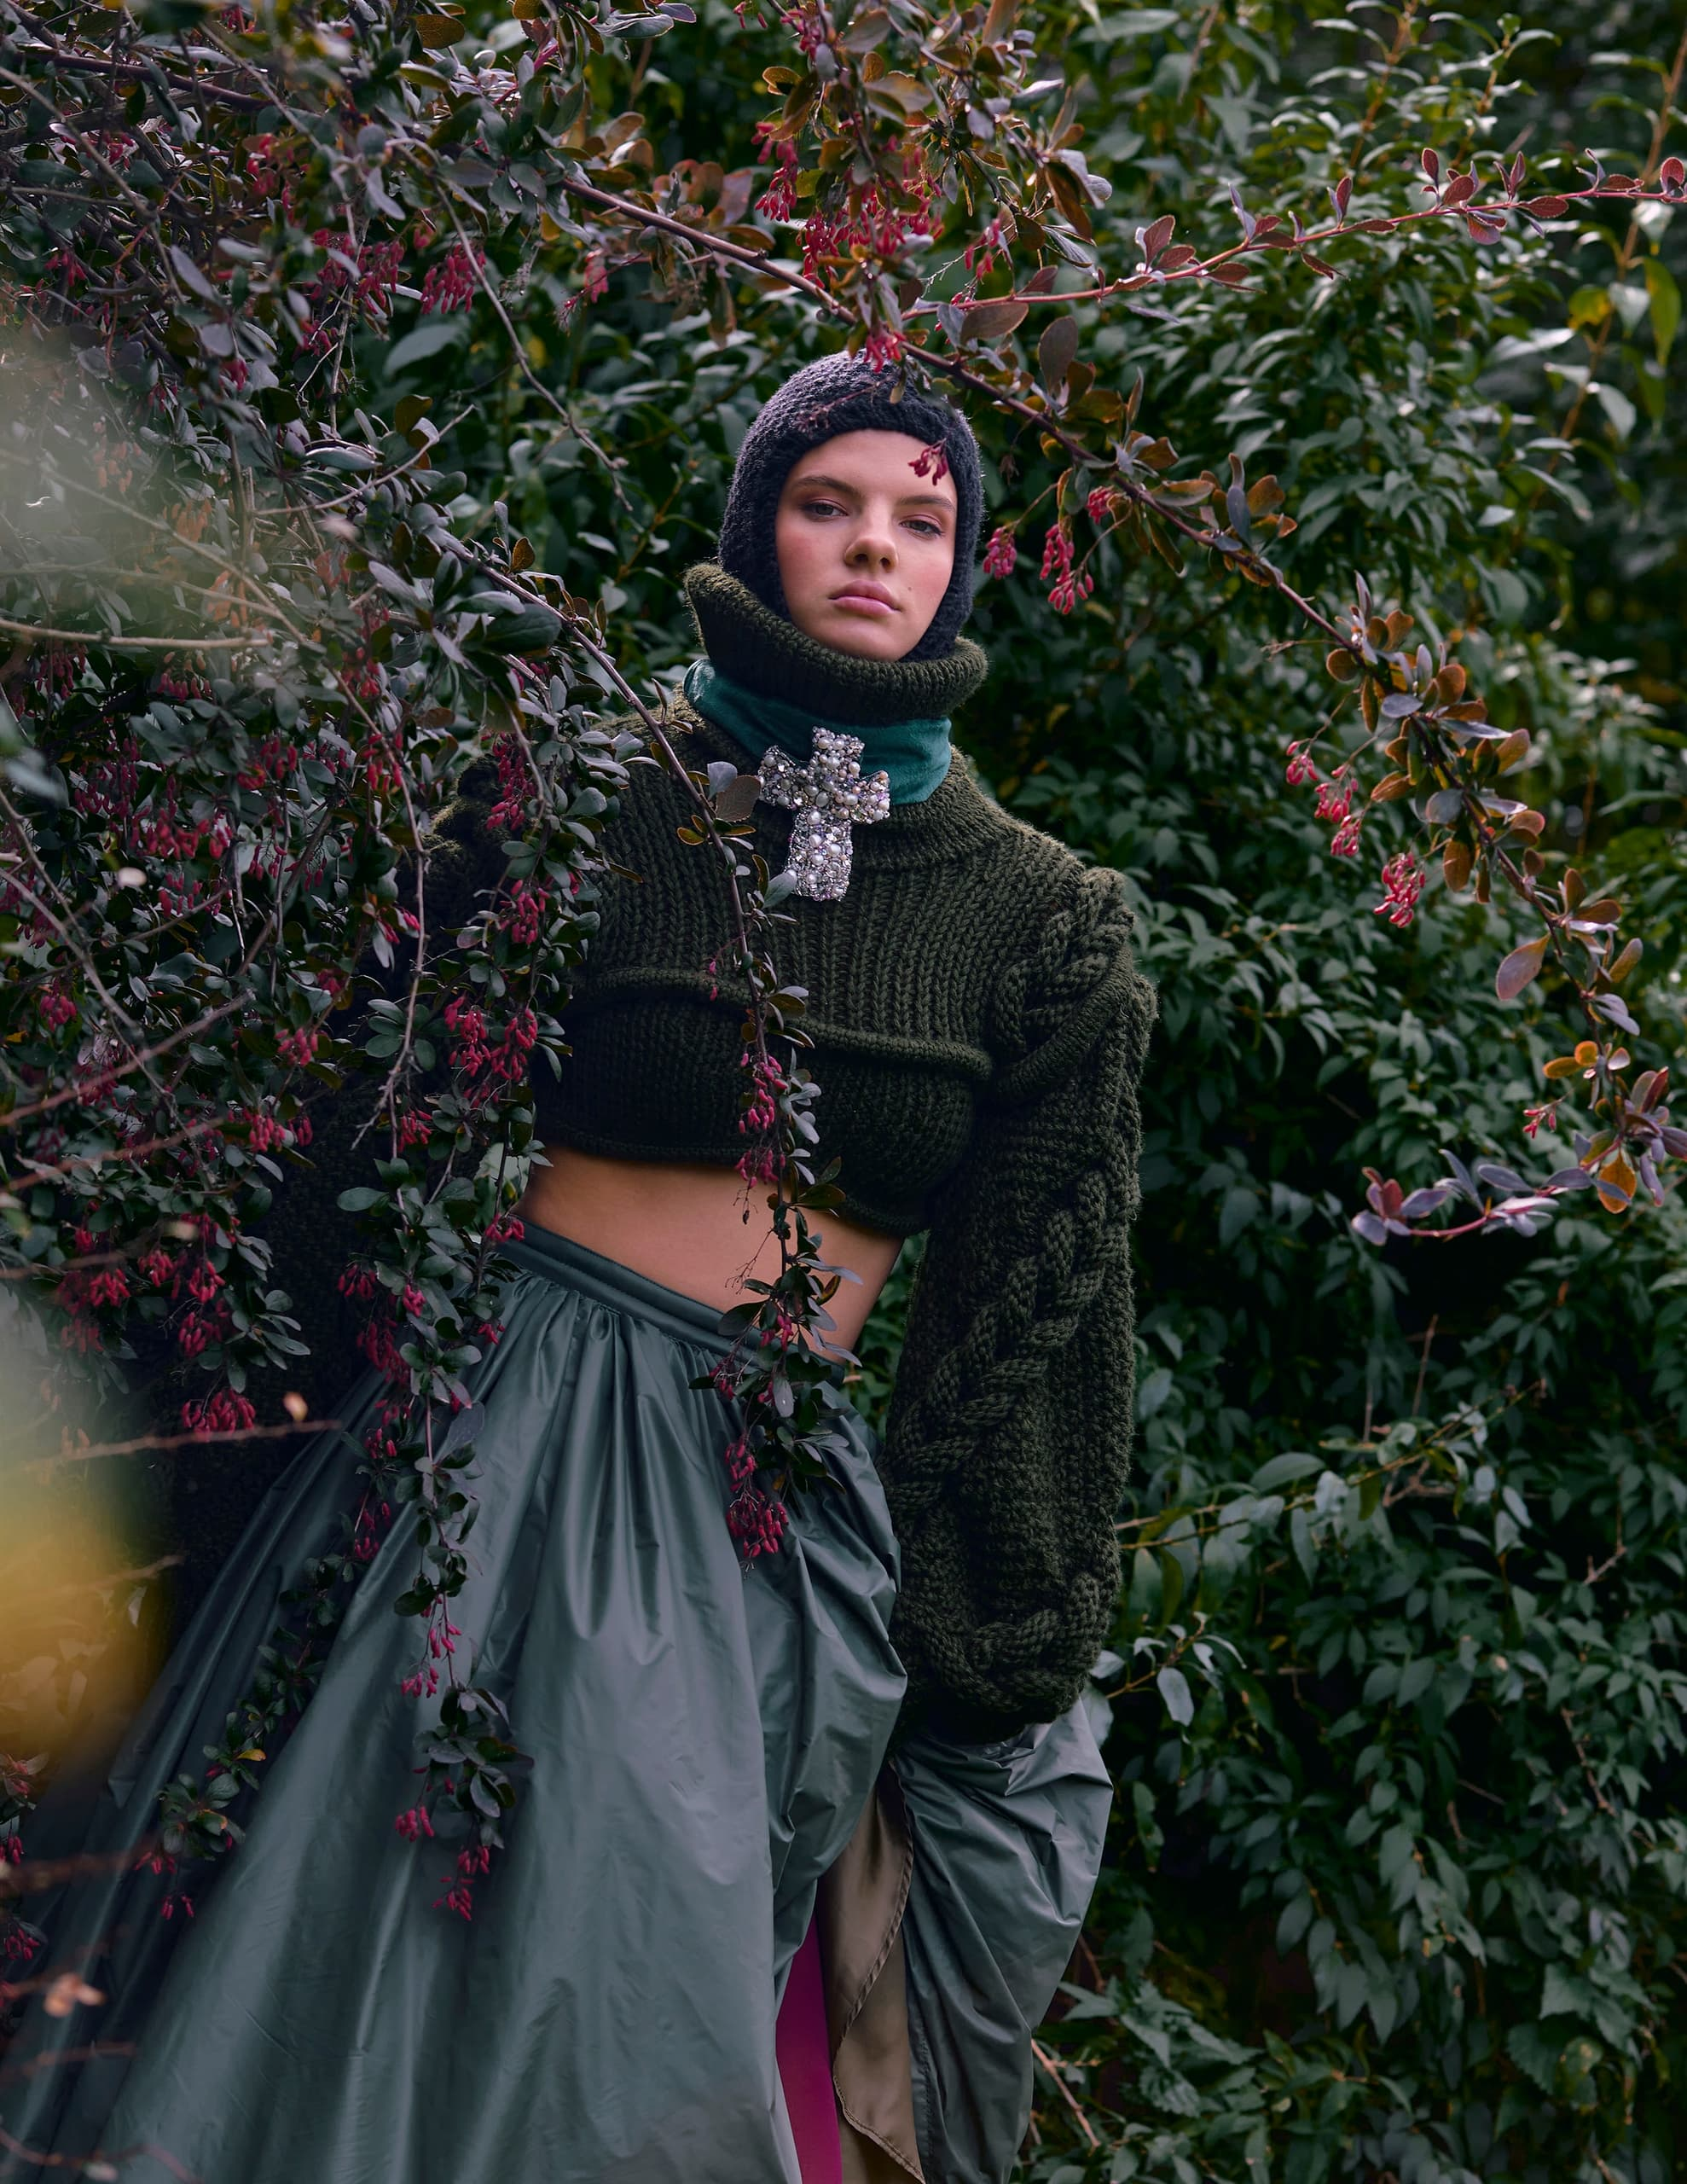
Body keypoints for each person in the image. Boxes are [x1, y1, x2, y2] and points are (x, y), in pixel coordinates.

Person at [0, 355, 1156, 2184]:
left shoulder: (1041, 926)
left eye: (919, 520)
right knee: (394, 1966)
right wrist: (182, 1458)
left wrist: (980, 1665)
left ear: (965, 564)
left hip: (777, 1522)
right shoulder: (580, 799)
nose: (873, 546)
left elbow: (1023, 1350)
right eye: (827, 502)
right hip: (503, 1459)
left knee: (659, 2016)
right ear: (752, 528)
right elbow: (360, 1145)